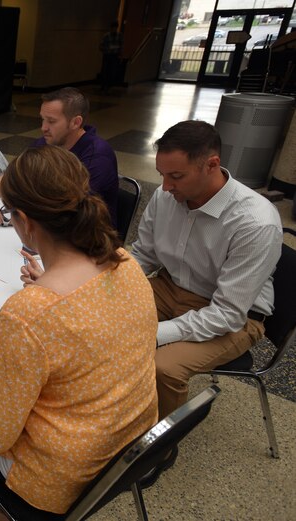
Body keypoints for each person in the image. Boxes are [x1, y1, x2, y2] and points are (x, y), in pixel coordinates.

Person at [0, 146, 158, 519]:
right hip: (129, 446)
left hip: (58, 479)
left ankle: (1, 507)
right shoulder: (126, 262)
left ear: (23, 220)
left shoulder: (29, 312)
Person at [130, 120, 282, 420]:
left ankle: (157, 448)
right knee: (97, 319)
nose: (165, 187)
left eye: (176, 176)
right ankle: (119, 411)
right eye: (162, 175)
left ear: (211, 165)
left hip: (235, 315)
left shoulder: (255, 222)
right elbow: (142, 255)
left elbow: (227, 313)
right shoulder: (166, 196)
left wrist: (154, 333)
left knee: (164, 367)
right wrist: (94, 284)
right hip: (169, 286)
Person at [0, 87, 118, 229]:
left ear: (76, 122)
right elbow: (10, 178)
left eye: (51, 121)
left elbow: (70, 211)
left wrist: (0, 216)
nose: (43, 128)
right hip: (48, 227)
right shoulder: (45, 143)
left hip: (86, 237)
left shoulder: (97, 156)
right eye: (43, 119)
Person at [99, 21, 123, 92]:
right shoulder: (106, 36)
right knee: (105, 70)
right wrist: (107, 48)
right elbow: (101, 46)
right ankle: (103, 85)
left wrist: (120, 55)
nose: (114, 29)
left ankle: (109, 85)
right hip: (107, 55)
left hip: (115, 55)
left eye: (115, 28)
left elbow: (121, 46)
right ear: (111, 28)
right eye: (113, 28)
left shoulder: (119, 36)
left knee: (112, 71)